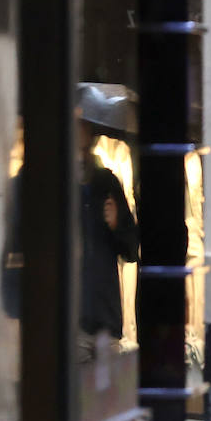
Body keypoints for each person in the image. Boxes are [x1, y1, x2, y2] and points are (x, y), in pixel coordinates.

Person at [76, 117, 139, 362]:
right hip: (74, 319)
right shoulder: (60, 183)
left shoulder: (107, 182)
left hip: (106, 316)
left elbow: (131, 250)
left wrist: (117, 224)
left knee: (106, 394)